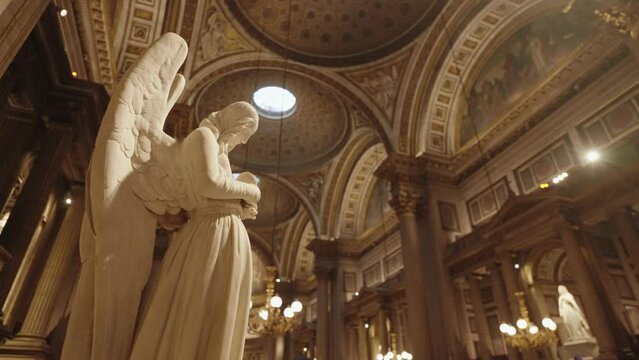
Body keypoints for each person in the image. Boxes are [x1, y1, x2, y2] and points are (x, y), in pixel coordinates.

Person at [130, 102, 260, 359]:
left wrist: (239, 206)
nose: (242, 140)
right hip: (211, 231)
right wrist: (251, 192)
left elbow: (209, 192)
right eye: (243, 131)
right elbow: (208, 184)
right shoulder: (203, 137)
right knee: (199, 303)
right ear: (232, 120)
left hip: (219, 229)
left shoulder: (217, 148)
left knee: (215, 309)